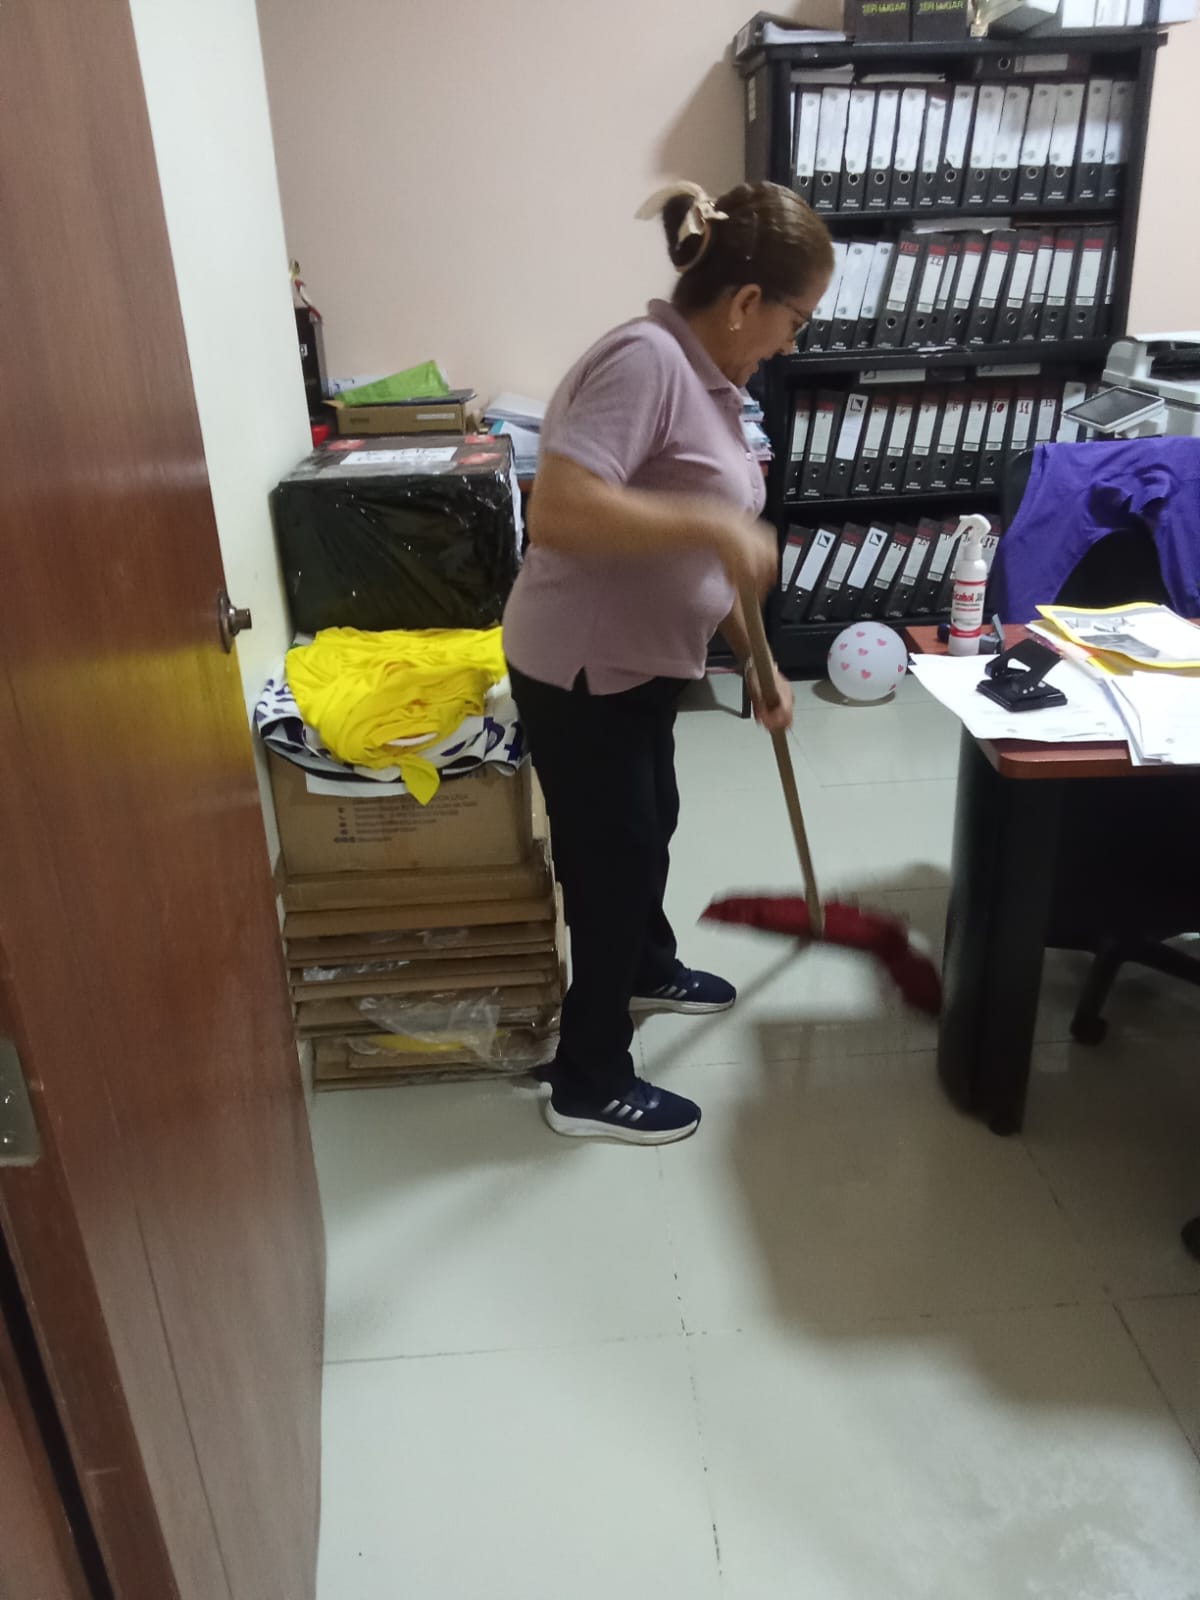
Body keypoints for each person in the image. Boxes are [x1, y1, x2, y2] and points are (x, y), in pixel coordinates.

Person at [503, 179, 834, 1145]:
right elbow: (559, 510)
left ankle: (644, 967)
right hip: (582, 668)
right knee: (612, 862)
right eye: (796, 319)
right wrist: (711, 525)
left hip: (642, 665)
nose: (792, 342)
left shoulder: (712, 384)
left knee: (653, 825)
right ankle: (589, 1080)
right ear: (746, 301)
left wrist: (756, 663)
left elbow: (709, 554)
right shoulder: (644, 362)